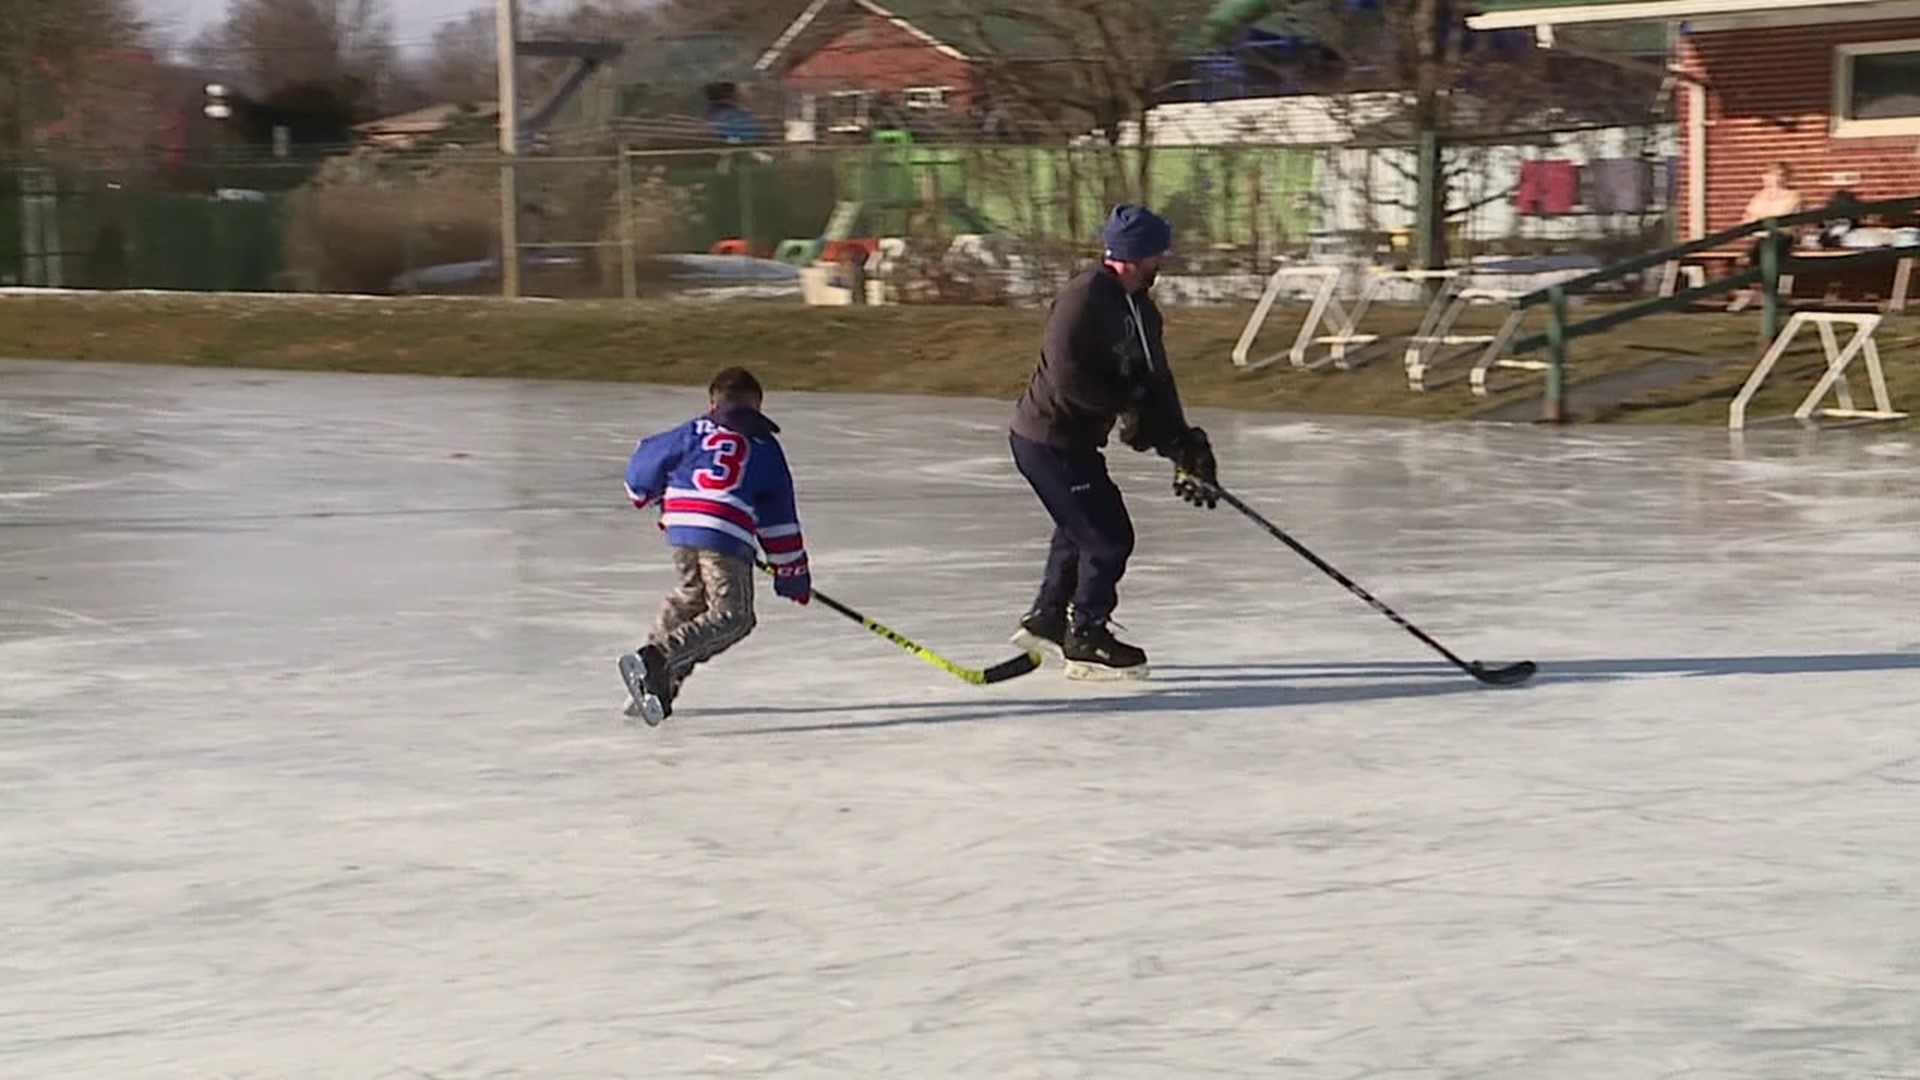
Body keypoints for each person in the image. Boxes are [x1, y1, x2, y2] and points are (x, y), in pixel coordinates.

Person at [1007, 203, 1219, 681]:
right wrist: (1124, 403)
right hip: (1046, 439)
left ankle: (1047, 617)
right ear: (1134, 255)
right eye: (1156, 255)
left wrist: (1183, 444)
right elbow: (1068, 378)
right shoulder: (1083, 299)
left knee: (1079, 528)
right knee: (1107, 538)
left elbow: (1155, 382)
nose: (1161, 264)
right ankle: (1087, 634)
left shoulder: (1141, 310)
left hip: (1076, 443)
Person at [618, 367, 811, 722]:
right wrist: (792, 571)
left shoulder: (691, 431)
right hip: (723, 532)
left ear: (713, 402)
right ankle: (657, 660)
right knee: (734, 617)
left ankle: (654, 684)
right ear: (757, 404)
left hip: (680, 529)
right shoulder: (764, 446)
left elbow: (643, 465)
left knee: (691, 598)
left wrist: (648, 496)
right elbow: (778, 516)